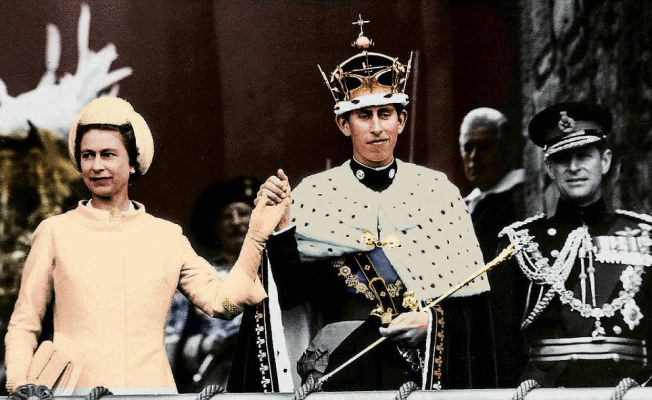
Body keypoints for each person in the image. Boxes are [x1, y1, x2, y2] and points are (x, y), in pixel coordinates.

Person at [250, 17, 496, 392]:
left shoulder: (437, 190)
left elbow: (471, 306)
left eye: (385, 114)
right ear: (343, 125)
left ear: (402, 120)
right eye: (364, 116)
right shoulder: (314, 193)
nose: (377, 128)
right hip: (344, 364)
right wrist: (283, 229)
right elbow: (293, 297)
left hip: (422, 369)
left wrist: (430, 324)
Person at [4, 96, 289, 395]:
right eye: (88, 155)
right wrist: (20, 385)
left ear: (132, 161)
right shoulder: (55, 232)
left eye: (108, 154)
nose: (97, 165)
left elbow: (224, 304)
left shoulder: (166, 237)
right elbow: (24, 324)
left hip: (150, 392)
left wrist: (257, 233)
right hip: (73, 394)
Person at [499, 102, 652, 387]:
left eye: (584, 156)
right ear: (548, 167)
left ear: (604, 161)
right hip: (546, 392)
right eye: (562, 158)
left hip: (634, 389)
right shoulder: (521, 243)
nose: (573, 167)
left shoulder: (645, 235)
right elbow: (501, 341)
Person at [167, 177, 261, 391]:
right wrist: (209, 344)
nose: (236, 222)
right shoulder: (198, 276)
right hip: (215, 376)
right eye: (227, 216)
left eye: (244, 214)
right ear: (215, 227)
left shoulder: (273, 273)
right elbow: (173, 343)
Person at [459, 107, 527, 387]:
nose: (474, 158)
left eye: (484, 148)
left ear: (504, 148)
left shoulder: (522, 198)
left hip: (508, 339)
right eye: (467, 148)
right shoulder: (464, 207)